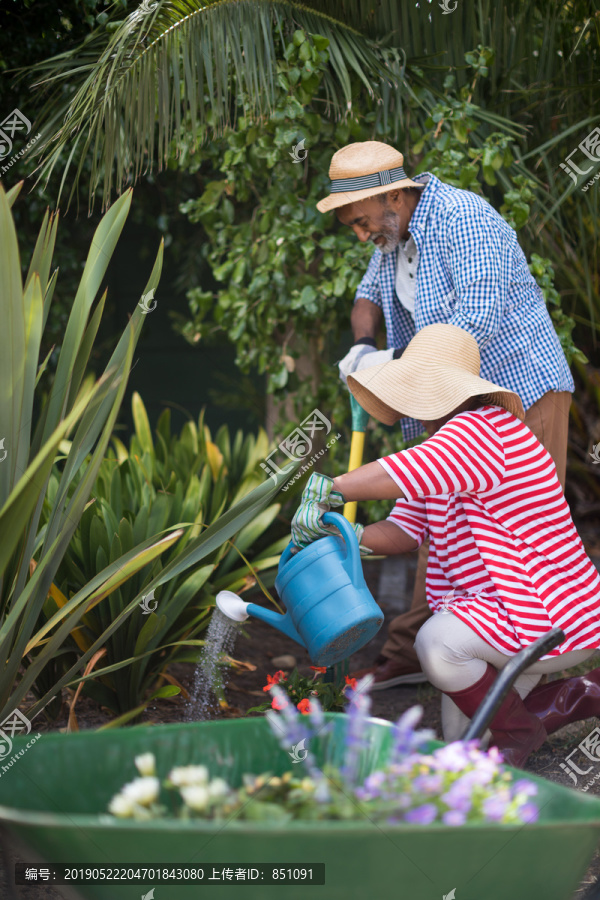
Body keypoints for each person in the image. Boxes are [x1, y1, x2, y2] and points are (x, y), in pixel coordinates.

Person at [316, 140, 575, 689]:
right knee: (439, 521)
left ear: (392, 195)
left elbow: (476, 315)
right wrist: (363, 347)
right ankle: (424, 652)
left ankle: (543, 660)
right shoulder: (392, 235)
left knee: (522, 531)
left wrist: (403, 371)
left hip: (519, 391)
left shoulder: (463, 217)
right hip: (446, 394)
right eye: (354, 227)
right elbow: (368, 299)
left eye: (361, 222)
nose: (362, 235)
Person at [290, 325, 600, 767]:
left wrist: (331, 488)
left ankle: (521, 728)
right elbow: (402, 531)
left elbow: (402, 472)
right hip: (506, 613)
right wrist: (344, 533)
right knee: (466, 747)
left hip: (545, 610)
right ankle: (580, 694)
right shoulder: (444, 449)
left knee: (437, 645)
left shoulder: (484, 431)